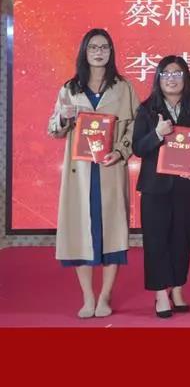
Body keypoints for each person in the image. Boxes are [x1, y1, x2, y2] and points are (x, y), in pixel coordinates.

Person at [48, 28, 138, 318]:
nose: (99, 52)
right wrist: (64, 118)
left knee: (113, 233)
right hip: (80, 173)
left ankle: (105, 296)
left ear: (111, 52)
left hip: (110, 168)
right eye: (93, 47)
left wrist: (121, 151)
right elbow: (53, 129)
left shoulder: (123, 87)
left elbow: (136, 126)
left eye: (104, 47)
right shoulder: (70, 89)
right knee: (80, 232)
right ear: (84, 52)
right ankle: (88, 296)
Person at [132, 56, 190, 318]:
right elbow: (138, 148)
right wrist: (157, 133)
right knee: (156, 240)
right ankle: (160, 293)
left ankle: (178, 288)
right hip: (155, 188)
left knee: (182, 239)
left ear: (186, 78)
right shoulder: (147, 109)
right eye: (166, 74)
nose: (171, 79)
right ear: (158, 78)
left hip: (185, 186)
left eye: (177, 73)